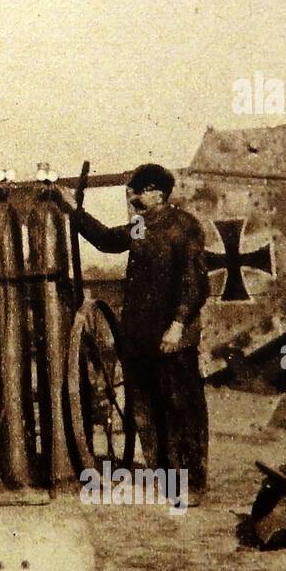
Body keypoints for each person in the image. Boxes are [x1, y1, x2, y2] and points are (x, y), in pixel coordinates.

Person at [55, 163, 210, 494]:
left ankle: (191, 482)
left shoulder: (184, 226)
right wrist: (75, 211)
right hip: (140, 337)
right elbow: (109, 240)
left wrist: (178, 325)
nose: (133, 197)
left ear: (157, 193)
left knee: (181, 408)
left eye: (139, 191)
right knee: (145, 408)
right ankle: (162, 474)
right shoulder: (142, 225)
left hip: (173, 337)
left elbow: (194, 282)